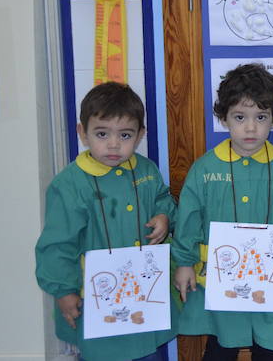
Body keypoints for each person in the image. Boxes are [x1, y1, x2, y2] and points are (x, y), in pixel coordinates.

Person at [172, 63, 273, 360]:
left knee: (270, 349)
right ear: (223, 118)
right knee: (221, 347)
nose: (250, 127)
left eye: (260, 117)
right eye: (240, 117)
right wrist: (184, 262)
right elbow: (187, 218)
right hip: (220, 284)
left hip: (272, 283)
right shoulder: (205, 169)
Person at [36, 82, 176, 361]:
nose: (113, 144)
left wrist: (164, 216)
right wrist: (64, 290)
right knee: (103, 352)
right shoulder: (70, 184)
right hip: (95, 297)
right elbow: (57, 245)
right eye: (102, 133)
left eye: (125, 135)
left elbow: (164, 200)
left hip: (143, 294)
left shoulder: (146, 170)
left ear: (140, 135)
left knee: (147, 351)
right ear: (82, 133)